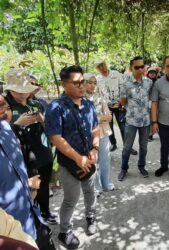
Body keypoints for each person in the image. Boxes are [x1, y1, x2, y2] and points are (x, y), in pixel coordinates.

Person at [45, 66, 99, 249]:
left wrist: (95, 148)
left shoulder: (89, 104)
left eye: (82, 81)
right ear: (64, 84)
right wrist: (77, 158)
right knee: (71, 198)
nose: (82, 86)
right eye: (76, 83)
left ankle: (91, 216)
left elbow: (95, 129)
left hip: (89, 158)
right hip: (69, 162)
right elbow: (55, 137)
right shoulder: (56, 107)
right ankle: (64, 230)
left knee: (91, 191)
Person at [0, 95, 56, 250]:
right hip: (12, 233)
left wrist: (27, 186)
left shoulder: (6, 129)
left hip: (32, 216)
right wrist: (17, 124)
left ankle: (46, 212)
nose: (4, 109)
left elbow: (22, 160)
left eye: (5, 106)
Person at [4, 68, 56, 225]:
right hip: (22, 159)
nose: (22, 95)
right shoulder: (5, 109)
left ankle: (46, 212)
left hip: (42, 153)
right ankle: (32, 218)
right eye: (18, 91)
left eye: (25, 91)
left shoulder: (36, 104)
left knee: (44, 186)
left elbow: (50, 128)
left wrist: (42, 120)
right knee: (29, 190)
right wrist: (16, 124)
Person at [118, 56, 153, 181]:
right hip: (131, 121)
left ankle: (141, 166)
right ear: (131, 68)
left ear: (145, 68)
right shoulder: (125, 84)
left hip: (145, 121)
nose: (139, 69)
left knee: (143, 147)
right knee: (127, 147)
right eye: (136, 67)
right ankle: (123, 168)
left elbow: (152, 100)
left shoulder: (149, 83)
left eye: (142, 67)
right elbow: (123, 101)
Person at [95, 59, 137, 155]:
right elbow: (98, 93)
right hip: (106, 106)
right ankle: (113, 144)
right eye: (98, 67)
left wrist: (122, 101)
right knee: (109, 126)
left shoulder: (116, 74)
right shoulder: (97, 79)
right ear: (97, 69)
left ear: (105, 64)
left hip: (119, 104)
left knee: (123, 126)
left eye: (102, 65)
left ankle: (128, 147)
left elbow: (123, 87)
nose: (101, 68)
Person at [84, 73, 115, 194]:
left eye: (94, 83)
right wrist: (100, 118)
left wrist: (101, 118)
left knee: (105, 158)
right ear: (84, 83)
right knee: (93, 160)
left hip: (103, 131)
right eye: (89, 83)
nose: (92, 85)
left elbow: (108, 115)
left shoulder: (99, 96)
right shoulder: (81, 98)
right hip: (89, 133)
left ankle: (106, 184)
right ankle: (96, 187)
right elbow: (84, 119)